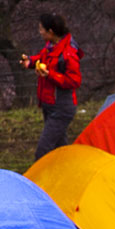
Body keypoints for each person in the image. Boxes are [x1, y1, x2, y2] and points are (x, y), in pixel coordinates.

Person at [26, 11, 84, 160]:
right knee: (60, 149)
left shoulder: (68, 53)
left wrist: (50, 75)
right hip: (49, 105)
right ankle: (67, 176)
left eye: (41, 29)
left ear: (50, 32)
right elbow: (42, 57)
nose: (39, 32)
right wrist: (31, 62)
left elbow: (74, 81)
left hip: (61, 108)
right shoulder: (52, 46)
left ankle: (36, 182)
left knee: (43, 151)